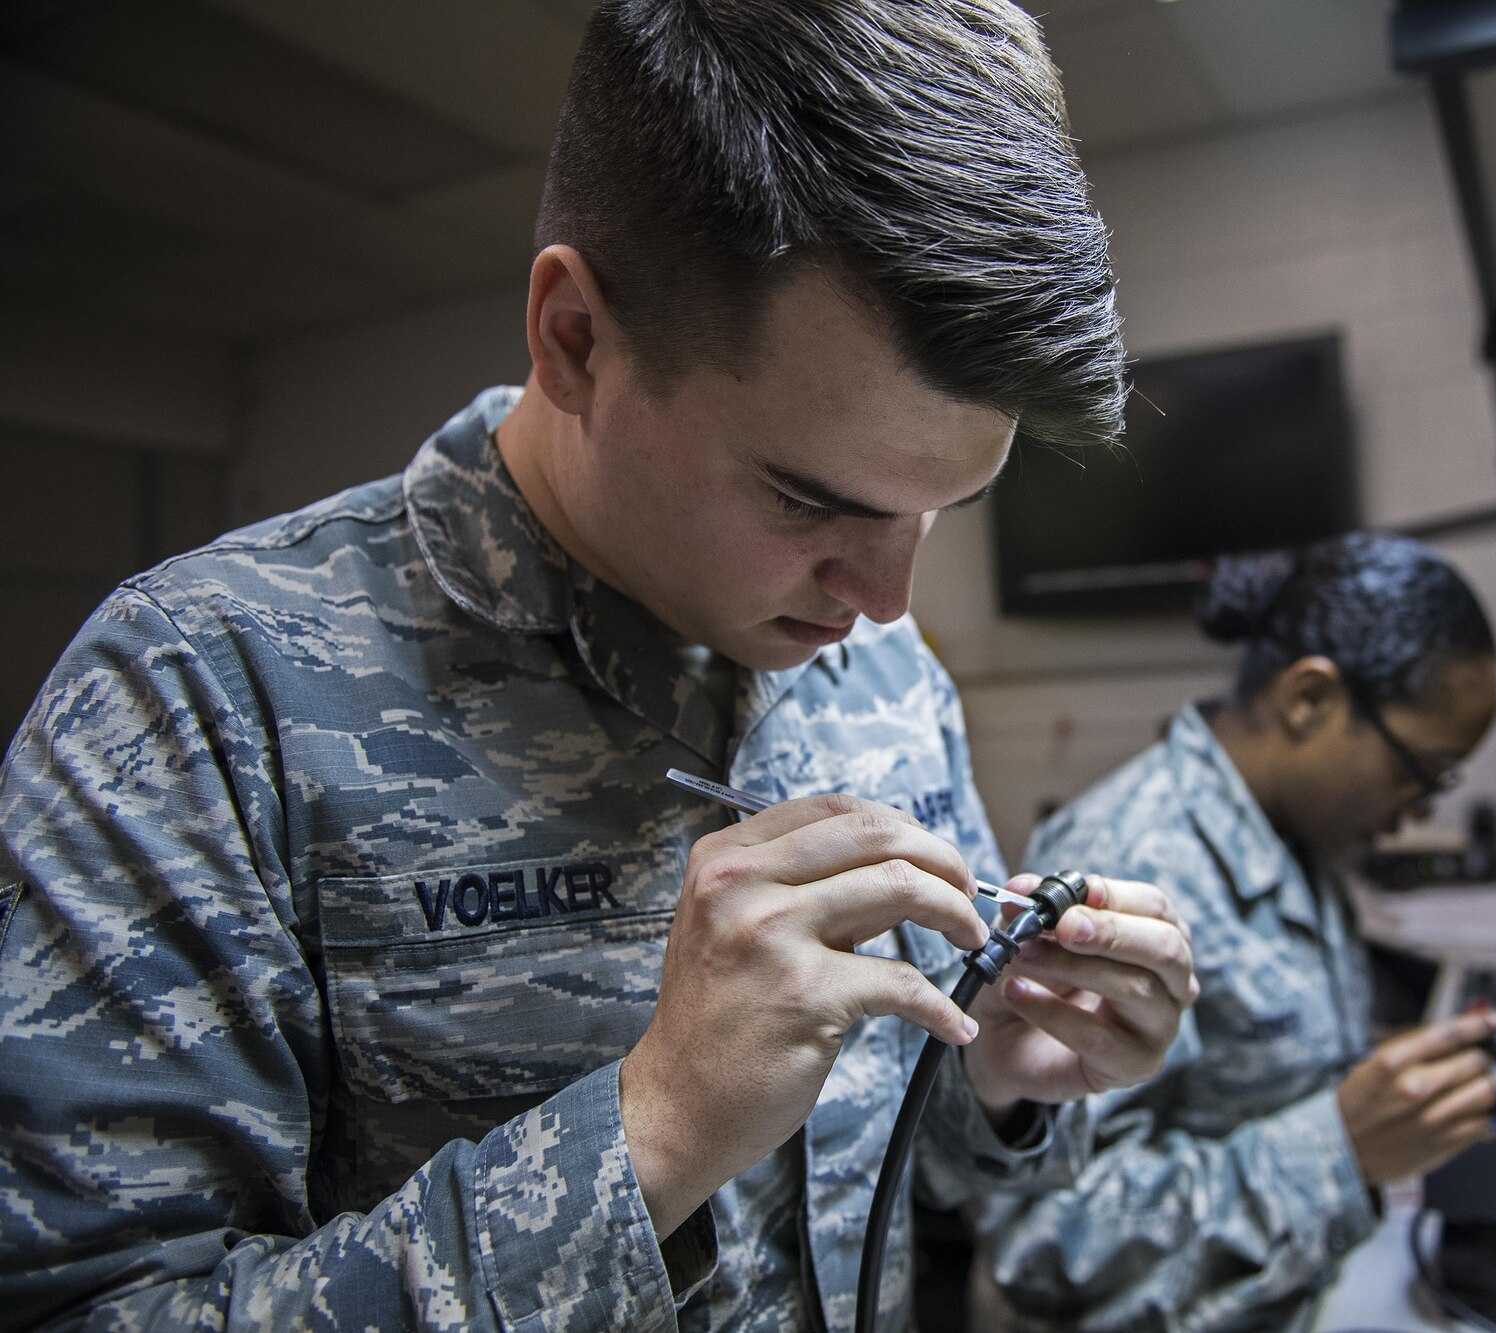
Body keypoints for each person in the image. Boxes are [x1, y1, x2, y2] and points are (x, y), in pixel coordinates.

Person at [0, 4, 1200, 1329]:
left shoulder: (886, 670)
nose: (886, 599)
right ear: (575, 338)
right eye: (809, 501)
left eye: (939, 512)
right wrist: (656, 1129)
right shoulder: (206, 697)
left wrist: (1000, 1080)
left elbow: (902, 1152)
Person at [973, 532, 1496, 1332]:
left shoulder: (1301, 831)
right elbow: (1047, 1243)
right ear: (1310, 700)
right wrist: (1340, 1152)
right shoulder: (1131, 867)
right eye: (1419, 771)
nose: (1422, 809)